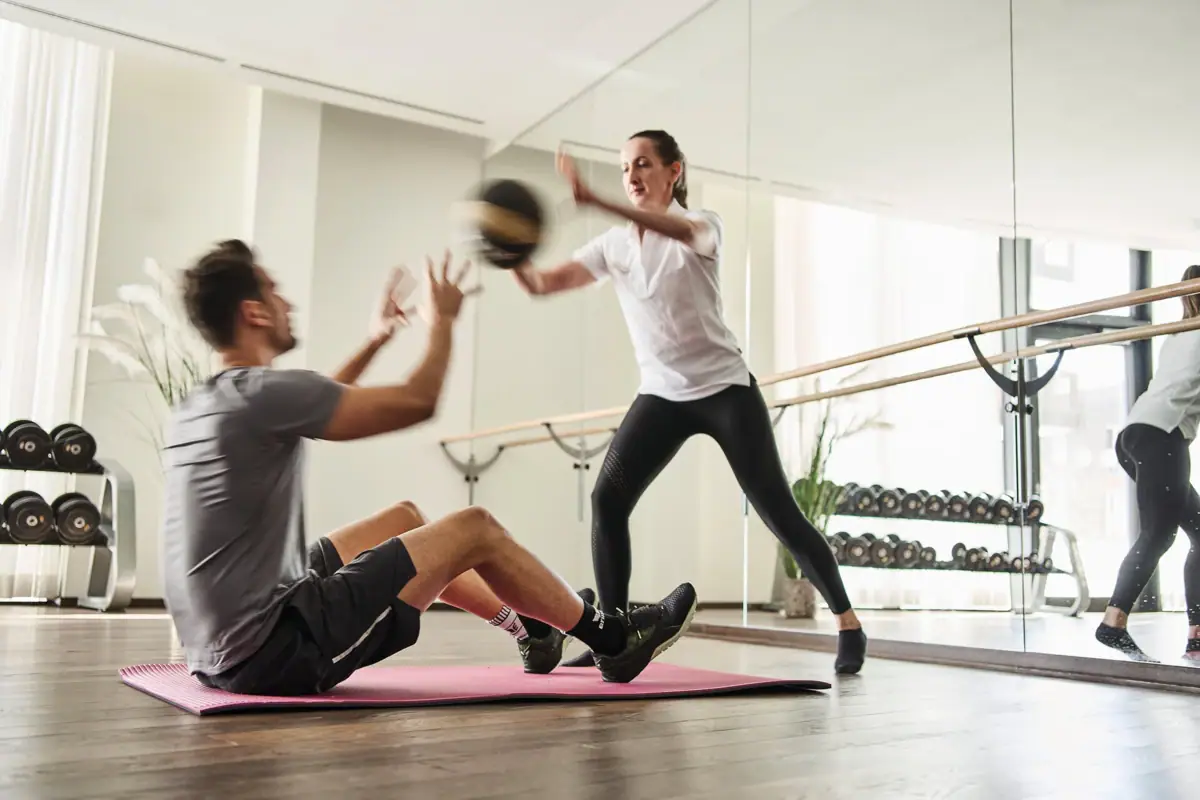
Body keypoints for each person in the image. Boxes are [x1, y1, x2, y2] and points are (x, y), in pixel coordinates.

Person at [160, 239, 697, 696]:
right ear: (253, 312)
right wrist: (441, 321)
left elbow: (311, 401)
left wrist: (377, 337)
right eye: (273, 291)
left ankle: (530, 628)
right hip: (272, 650)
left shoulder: (210, 402)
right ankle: (614, 639)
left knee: (405, 517)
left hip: (220, 646)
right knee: (475, 529)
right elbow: (418, 400)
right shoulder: (260, 396)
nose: (286, 302)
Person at [511, 130, 867, 675]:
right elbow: (542, 284)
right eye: (625, 166)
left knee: (781, 515)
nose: (632, 175)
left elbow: (675, 227)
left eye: (644, 164)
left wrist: (596, 199)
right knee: (608, 500)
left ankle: (848, 623)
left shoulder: (702, 226)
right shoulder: (613, 245)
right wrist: (510, 252)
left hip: (726, 391)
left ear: (673, 172)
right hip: (661, 395)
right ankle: (612, 633)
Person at [1095, 264, 1200, 664]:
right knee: (1159, 534)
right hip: (1162, 437)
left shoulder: (1177, 334)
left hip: (1136, 434)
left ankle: (1197, 634)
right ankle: (1113, 622)